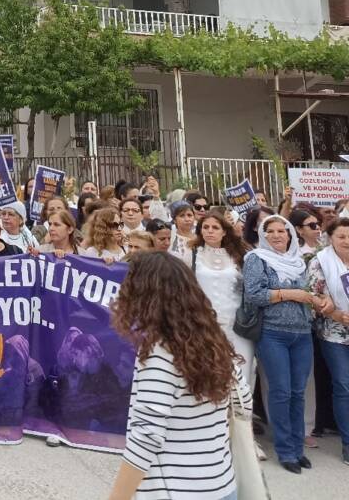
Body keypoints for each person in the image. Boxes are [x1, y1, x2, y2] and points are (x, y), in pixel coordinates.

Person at [107, 252, 249, 500]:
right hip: (222, 484)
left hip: (175, 489)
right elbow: (243, 401)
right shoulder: (213, 343)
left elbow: (147, 436)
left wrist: (117, 497)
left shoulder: (160, 354)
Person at [243, 213, 317, 473]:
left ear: (290, 235)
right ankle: (285, 451)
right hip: (273, 333)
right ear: (262, 234)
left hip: (302, 334)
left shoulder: (298, 261)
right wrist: (290, 294)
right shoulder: (256, 259)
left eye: (281, 231)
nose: (276, 235)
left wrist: (315, 301)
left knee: (298, 393)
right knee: (281, 392)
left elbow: (310, 293)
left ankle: (298, 449)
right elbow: (254, 295)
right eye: (270, 231)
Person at [187, 214, 254, 378]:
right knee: (210, 375)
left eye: (215, 227)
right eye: (205, 227)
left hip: (237, 325)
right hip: (205, 325)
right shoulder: (192, 253)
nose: (210, 231)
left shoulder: (240, 254)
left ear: (224, 232)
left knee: (242, 375)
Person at [308, 218, 349, 465]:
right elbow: (316, 296)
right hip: (334, 333)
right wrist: (338, 315)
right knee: (344, 385)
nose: (347, 241)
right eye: (341, 236)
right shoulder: (319, 262)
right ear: (330, 237)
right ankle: (348, 443)